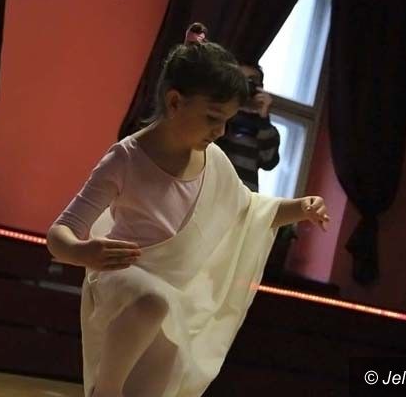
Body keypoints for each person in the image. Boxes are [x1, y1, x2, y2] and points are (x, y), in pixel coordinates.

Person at [47, 37, 329, 397]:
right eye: (212, 118)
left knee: (157, 378)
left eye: (226, 121)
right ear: (175, 101)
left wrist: (301, 208)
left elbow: (250, 211)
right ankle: (106, 390)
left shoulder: (215, 162)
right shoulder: (126, 159)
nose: (220, 131)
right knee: (152, 301)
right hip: (124, 280)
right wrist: (83, 252)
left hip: (178, 301)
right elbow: (61, 232)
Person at [216, 61, 280, 192]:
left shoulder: (264, 126)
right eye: (241, 80)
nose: (246, 86)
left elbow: (269, 162)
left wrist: (263, 118)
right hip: (213, 187)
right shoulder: (220, 113)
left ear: (260, 87)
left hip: (243, 194)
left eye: (252, 81)